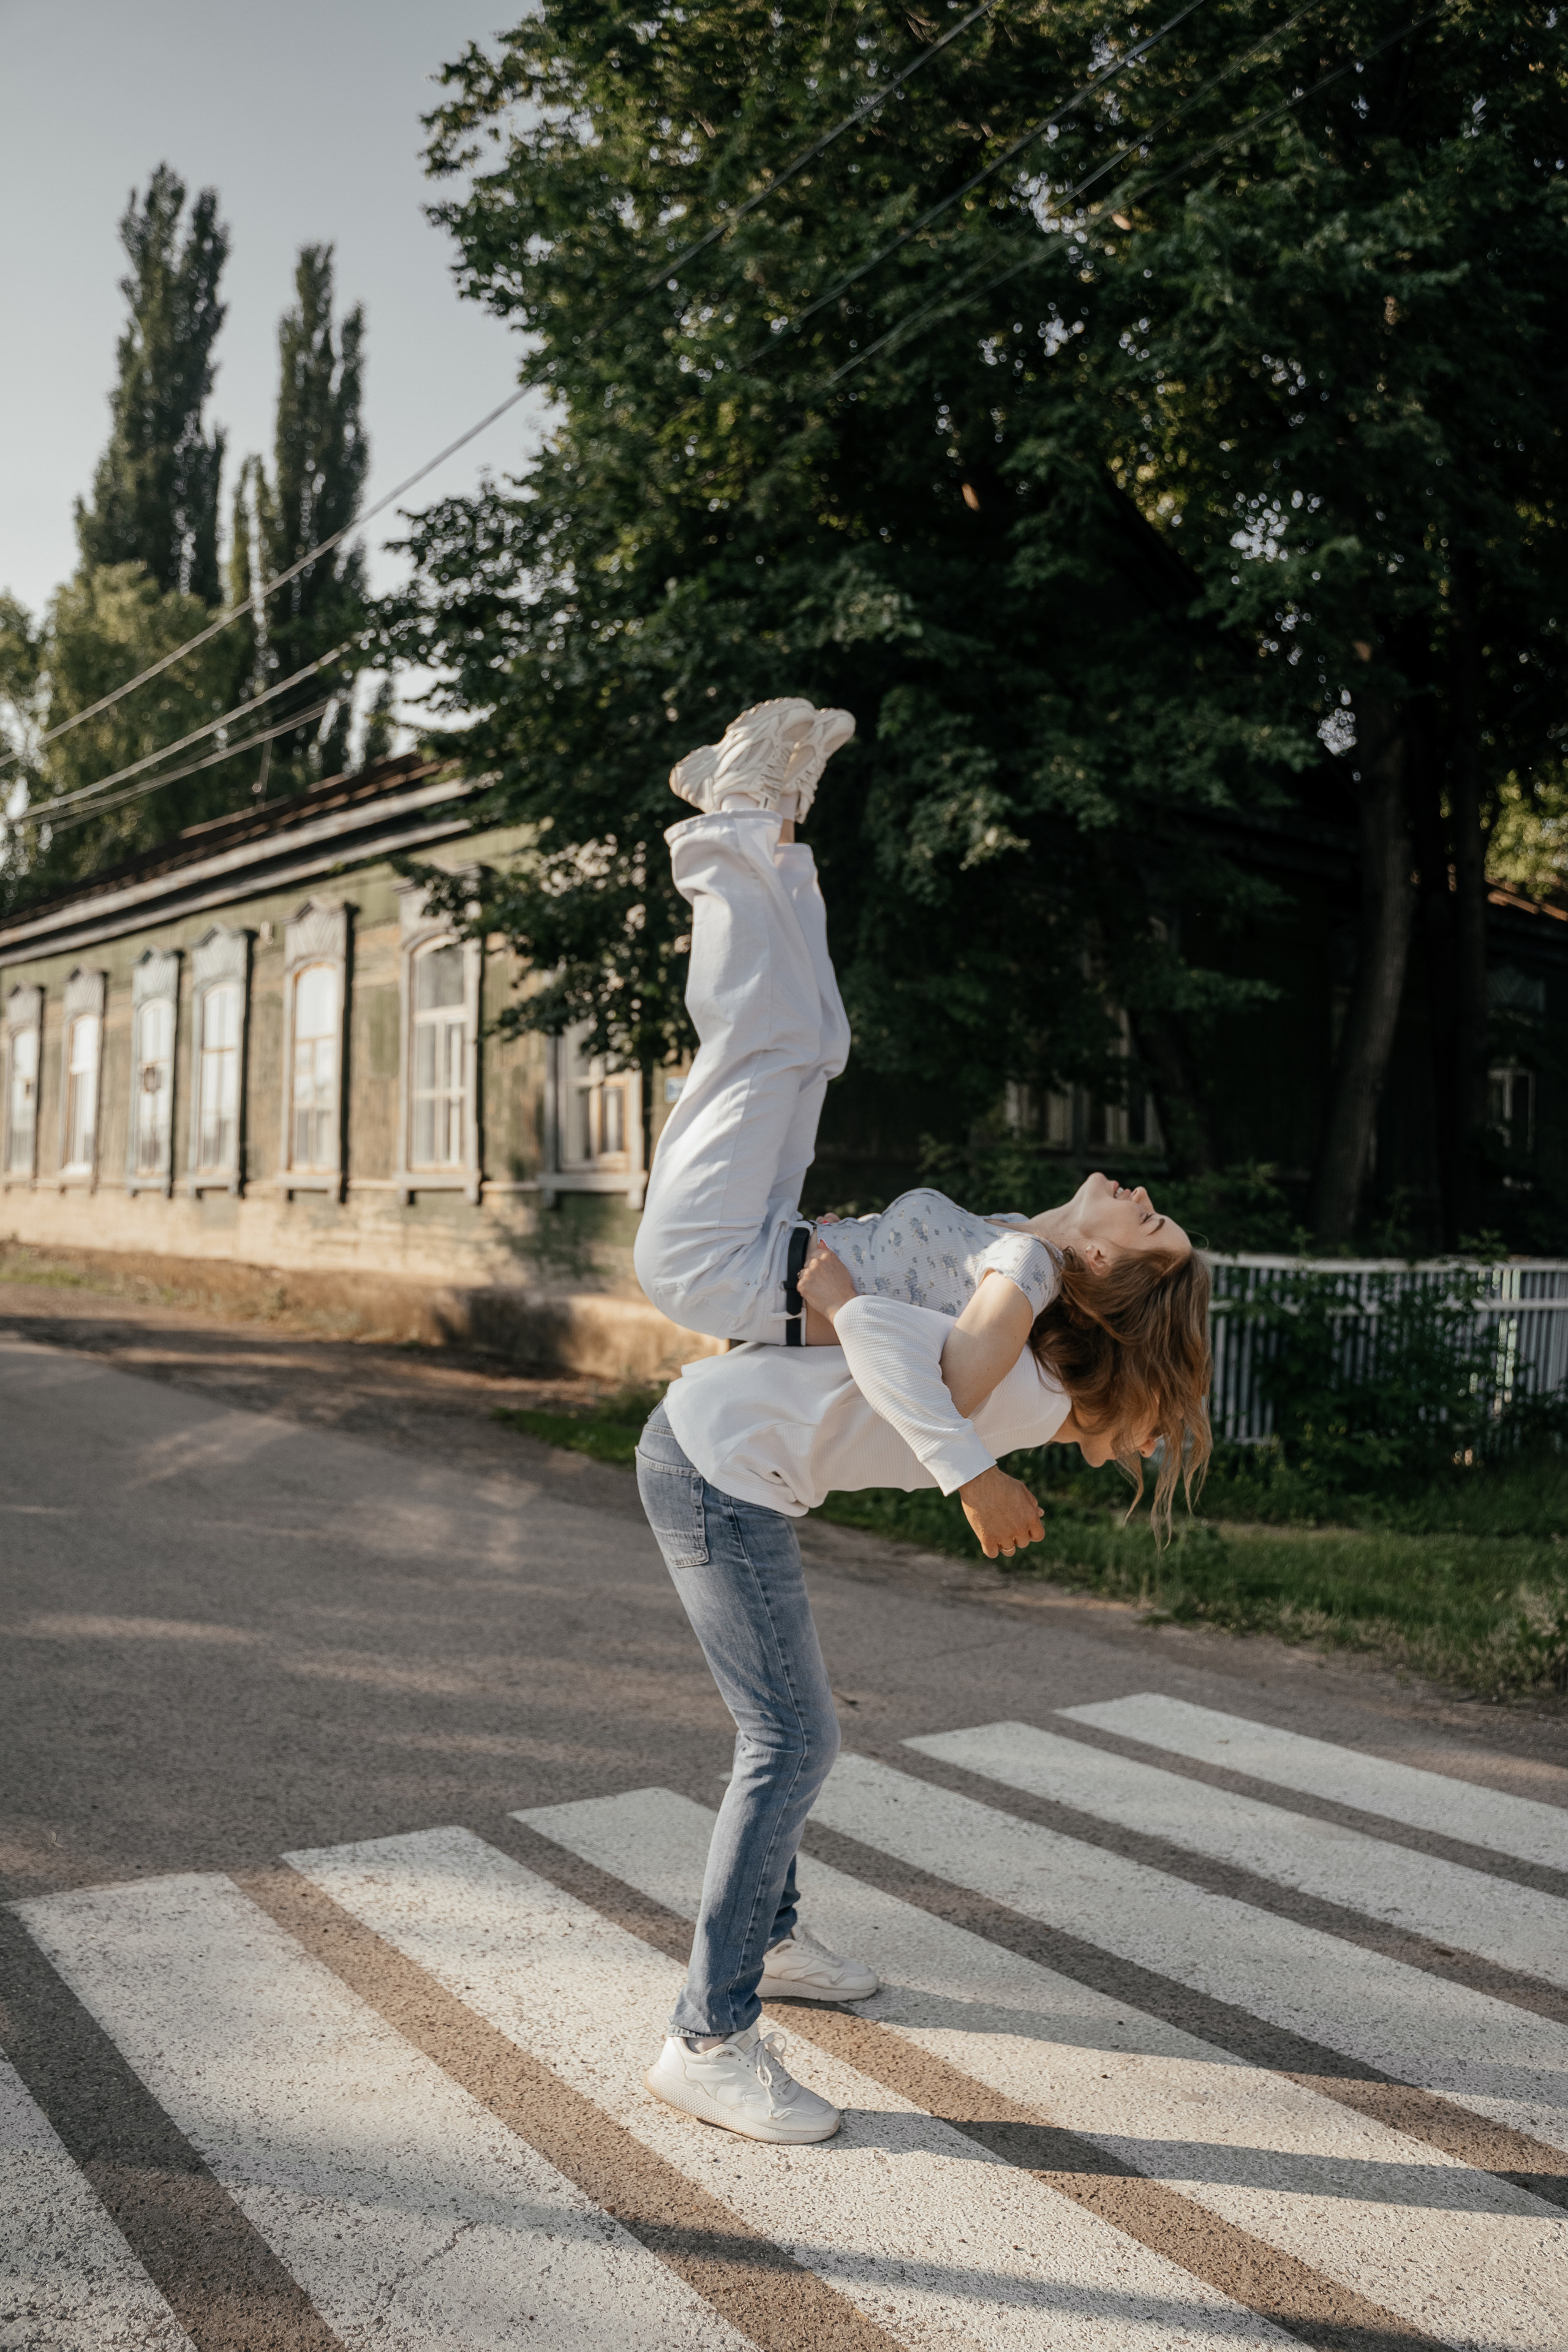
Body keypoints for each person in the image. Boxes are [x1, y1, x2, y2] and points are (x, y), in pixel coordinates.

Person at [633, 696, 1210, 2147]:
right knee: (805, 1040)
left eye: (1144, 1218)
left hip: (719, 1348)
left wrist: (929, 1429)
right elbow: (937, 1372)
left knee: (776, 1045)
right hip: (731, 1349)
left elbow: (917, 1369)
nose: (1130, 1193)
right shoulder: (1018, 1284)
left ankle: (710, 2030)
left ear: (1106, 1273)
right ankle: (744, 812)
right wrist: (858, 1324)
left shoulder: (1019, 1280)